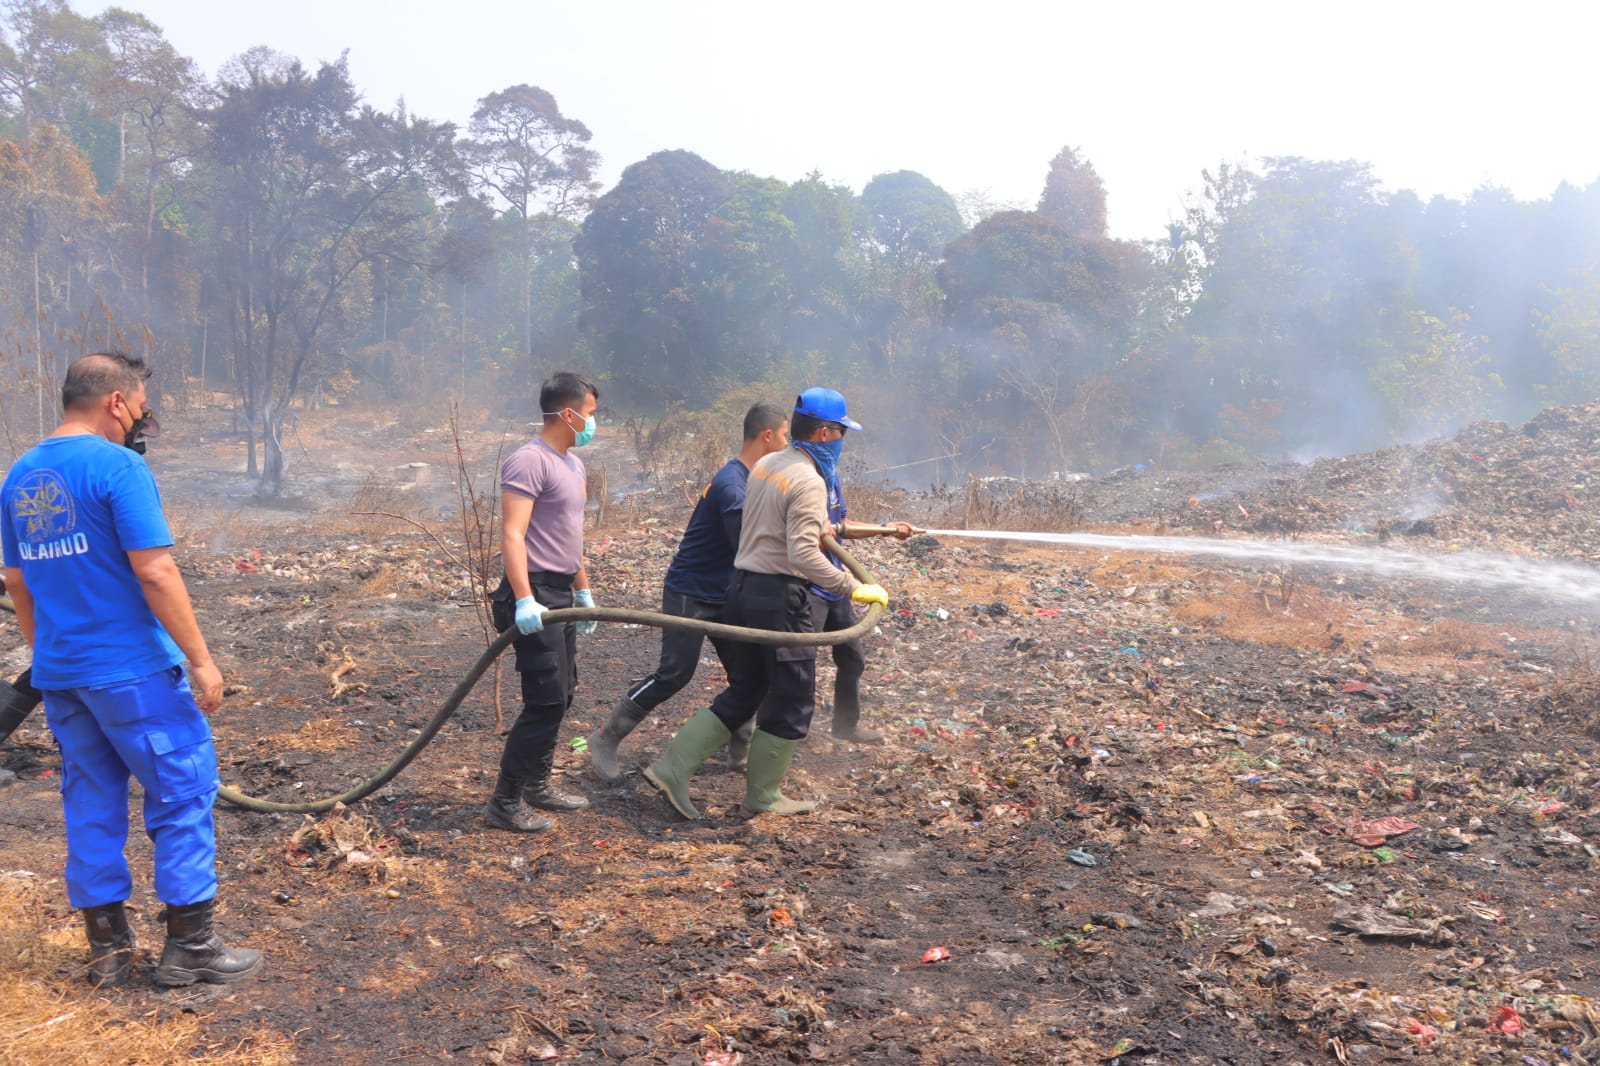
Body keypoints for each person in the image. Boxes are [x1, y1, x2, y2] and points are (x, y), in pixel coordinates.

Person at [0, 352, 261, 989]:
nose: (142, 420)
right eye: (140, 406)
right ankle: (191, 947)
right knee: (181, 789)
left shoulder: (19, 475)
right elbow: (155, 570)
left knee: (89, 799)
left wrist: (51, 656)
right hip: (134, 673)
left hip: (64, 676)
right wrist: (201, 660)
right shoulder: (117, 467)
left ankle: (109, 952)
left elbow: (16, 579)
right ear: (117, 401)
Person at [643, 387, 889, 819]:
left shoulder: (768, 464)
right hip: (780, 598)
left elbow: (787, 526)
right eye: (841, 434)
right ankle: (763, 795)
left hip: (741, 589)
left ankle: (671, 768)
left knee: (749, 687)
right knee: (794, 697)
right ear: (827, 432)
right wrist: (852, 587)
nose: (842, 442)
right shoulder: (809, 480)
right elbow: (804, 554)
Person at [587, 402, 791, 781]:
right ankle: (606, 737)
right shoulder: (733, 484)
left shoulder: (753, 478)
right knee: (674, 673)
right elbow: (745, 546)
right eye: (784, 434)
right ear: (767, 436)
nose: (787, 442)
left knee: (747, 675)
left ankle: (740, 747)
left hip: (726, 591)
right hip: (692, 591)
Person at [484, 371, 601, 833]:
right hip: (532, 592)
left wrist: (584, 588)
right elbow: (513, 534)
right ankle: (504, 801)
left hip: (561, 591)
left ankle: (537, 783)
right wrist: (525, 599)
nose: (594, 422)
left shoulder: (573, 465)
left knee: (564, 692)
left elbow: (569, 537)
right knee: (544, 700)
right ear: (568, 413)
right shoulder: (528, 462)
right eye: (590, 414)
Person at [803, 454, 914, 746]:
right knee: (797, 662)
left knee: (852, 659)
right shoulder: (802, 477)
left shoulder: (831, 476)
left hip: (837, 586)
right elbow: (802, 538)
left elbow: (844, 525)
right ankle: (781, 733)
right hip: (808, 586)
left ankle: (845, 726)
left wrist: (888, 529)